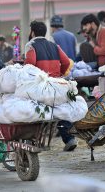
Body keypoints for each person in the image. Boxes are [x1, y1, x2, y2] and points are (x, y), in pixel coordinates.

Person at [25, 20, 77, 151]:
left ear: (32, 32)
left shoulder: (31, 45)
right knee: (61, 111)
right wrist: (59, 74)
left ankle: (32, 140)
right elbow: (66, 62)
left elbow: (29, 67)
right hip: (57, 86)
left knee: (30, 109)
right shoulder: (54, 45)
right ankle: (69, 139)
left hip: (41, 88)